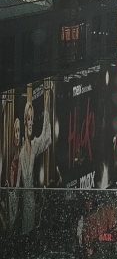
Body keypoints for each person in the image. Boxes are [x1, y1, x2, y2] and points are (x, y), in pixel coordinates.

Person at [17, 89, 52, 235]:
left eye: (32, 118)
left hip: (33, 210)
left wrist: (46, 105)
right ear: (25, 120)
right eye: (28, 118)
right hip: (23, 214)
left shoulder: (35, 144)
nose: (31, 122)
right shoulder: (22, 153)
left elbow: (46, 138)